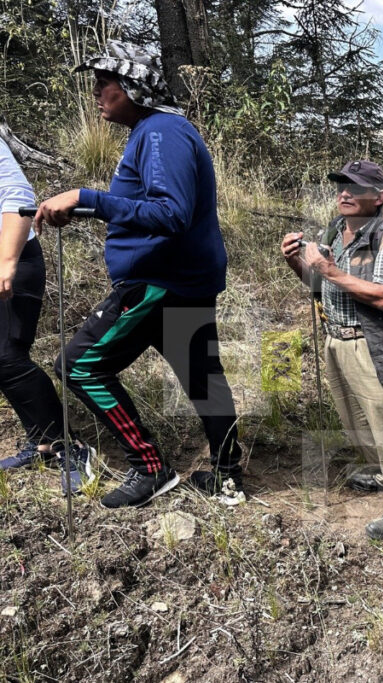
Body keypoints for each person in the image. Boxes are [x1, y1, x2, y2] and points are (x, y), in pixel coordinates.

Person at [33, 42, 243, 508]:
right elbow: (151, 208)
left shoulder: (161, 132)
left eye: (104, 82)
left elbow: (171, 213)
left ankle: (149, 467)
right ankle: (229, 476)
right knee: (203, 379)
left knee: (79, 365)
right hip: (183, 280)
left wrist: (88, 197)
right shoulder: (164, 130)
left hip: (157, 283)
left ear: (133, 85)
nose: (96, 91)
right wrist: (86, 208)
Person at [282, 160, 383, 539]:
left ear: (379, 197)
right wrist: (298, 261)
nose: (345, 193)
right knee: (356, 420)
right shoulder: (334, 231)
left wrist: (326, 269)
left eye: (355, 187)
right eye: (341, 185)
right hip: (337, 340)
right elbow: (320, 287)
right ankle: (381, 474)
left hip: (374, 345)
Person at [0, 139, 96, 493]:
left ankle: (70, 447)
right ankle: (41, 442)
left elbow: (16, 197)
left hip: (12, 257)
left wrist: (6, 262)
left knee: (7, 355)